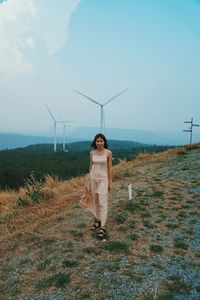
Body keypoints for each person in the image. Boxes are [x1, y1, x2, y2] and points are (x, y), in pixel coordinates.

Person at [80, 133, 112, 239]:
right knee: (96, 201)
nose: (99, 143)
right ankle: (98, 220)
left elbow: (110, 169)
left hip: (103, 180)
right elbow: (90, 167)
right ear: (95, 142)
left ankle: (102, 227)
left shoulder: (108, 153)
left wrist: (110, 182)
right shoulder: (92, 153)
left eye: (101, 141)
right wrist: (88, 180)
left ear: (104, 142)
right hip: (93, 180)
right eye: (97, 141)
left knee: (103, 202)